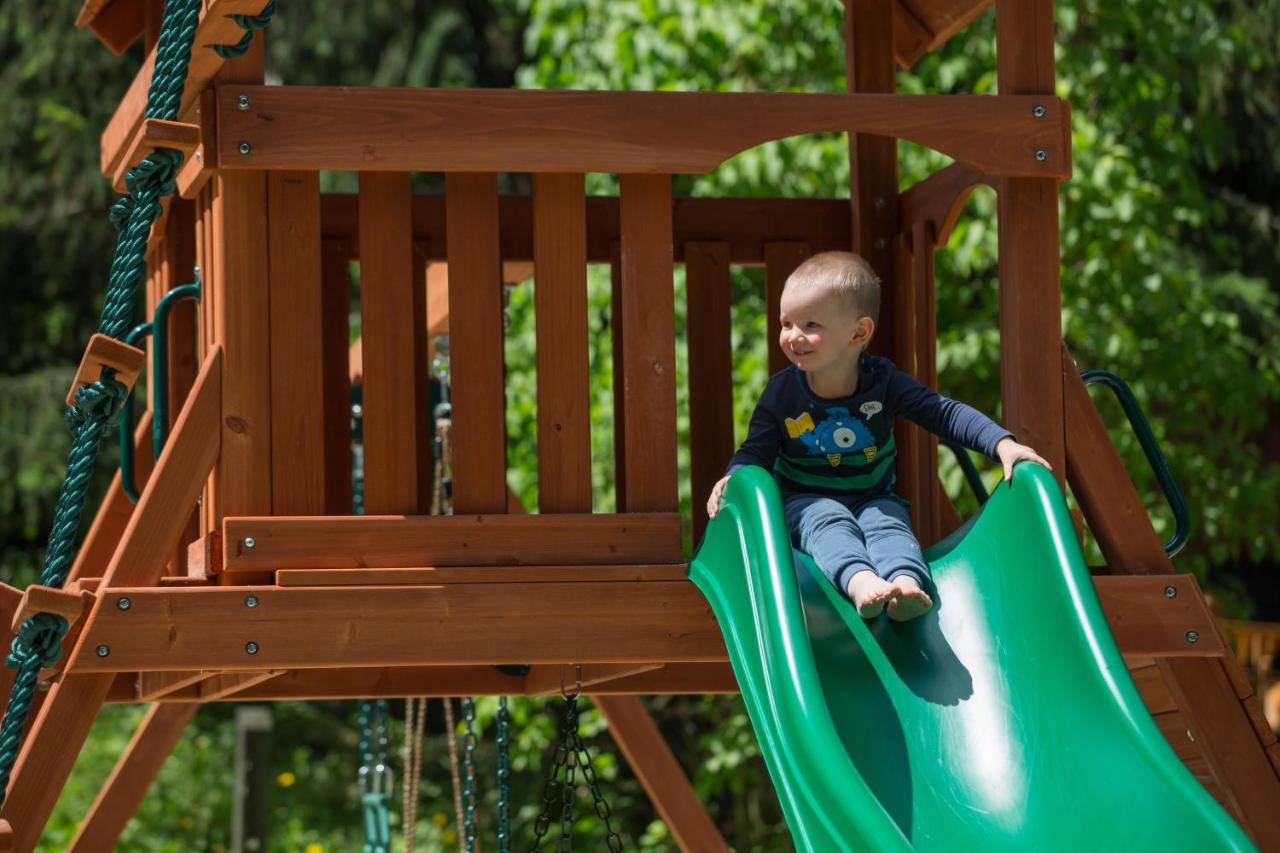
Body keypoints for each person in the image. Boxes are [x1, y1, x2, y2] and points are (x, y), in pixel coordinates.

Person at [706, 251, 1050, 621]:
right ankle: (860, 582)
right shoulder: (782, 394)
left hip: (872, 495)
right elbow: (755, 450)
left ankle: (904, 583)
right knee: (828, 520)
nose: (793, 336)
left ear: (859, 332)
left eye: (810, 325)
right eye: (786, 323)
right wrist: (733, 476)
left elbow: (940, 412)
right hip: (804, 501)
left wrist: (1002, 444)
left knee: (889, 522)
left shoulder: (882, 382)